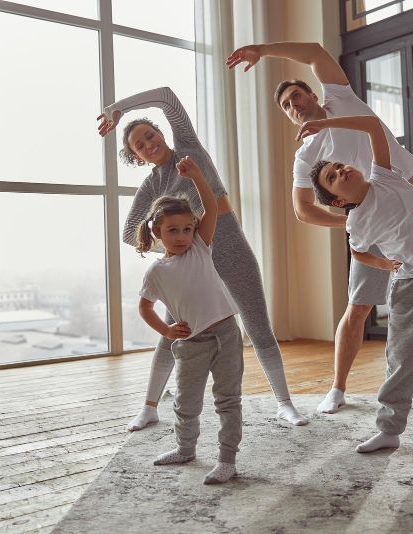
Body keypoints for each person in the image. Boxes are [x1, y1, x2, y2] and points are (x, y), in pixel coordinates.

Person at [226, 41, 413, 412]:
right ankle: (338, 389)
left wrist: (261, 50)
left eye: (296, 96)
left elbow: (313, 52)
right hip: (372, 225)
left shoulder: (342, 101)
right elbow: (303, 210)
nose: (293, 106)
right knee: (358, 307)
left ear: (313, 93)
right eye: (287, 106)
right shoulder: (306, 154)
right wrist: (350, 219)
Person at [98, 86, 307, 429]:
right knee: (173, 332)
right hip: (190, 264)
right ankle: (149, 407)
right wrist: (175, 244)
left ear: (160, 133)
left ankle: (285, 404)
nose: (149, 144)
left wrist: (117, 108)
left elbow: (166, 97)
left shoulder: (188, 148)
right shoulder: (152, 187)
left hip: (230, 245)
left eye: (150, 135)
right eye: (140, 145)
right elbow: (128, 233)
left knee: (258, 327)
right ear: (137, 156)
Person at [300, 114, 413, 460]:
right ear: (337, 200)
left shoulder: (382, 175)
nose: (342, 171)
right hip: (410, 283)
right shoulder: (355, 221)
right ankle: (388, 431)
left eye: (339, 165)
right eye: (333, 177)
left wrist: (327, 124)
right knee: (402, 360)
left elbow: (370, 124)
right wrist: (386, 265)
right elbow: (358, 252)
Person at [136, 155, 243, 484]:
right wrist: (167, 330)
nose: (182, 235)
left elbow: (211, 207)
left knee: (227, 399)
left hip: (226, 334)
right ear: (157, 232)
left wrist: (196, 174)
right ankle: (185, 449)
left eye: (186, 228)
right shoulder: (156, 271)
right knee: (186, 401)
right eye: (173, 231)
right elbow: (144, 307)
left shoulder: (200, 246)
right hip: (190, 343)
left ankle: (227, 460)